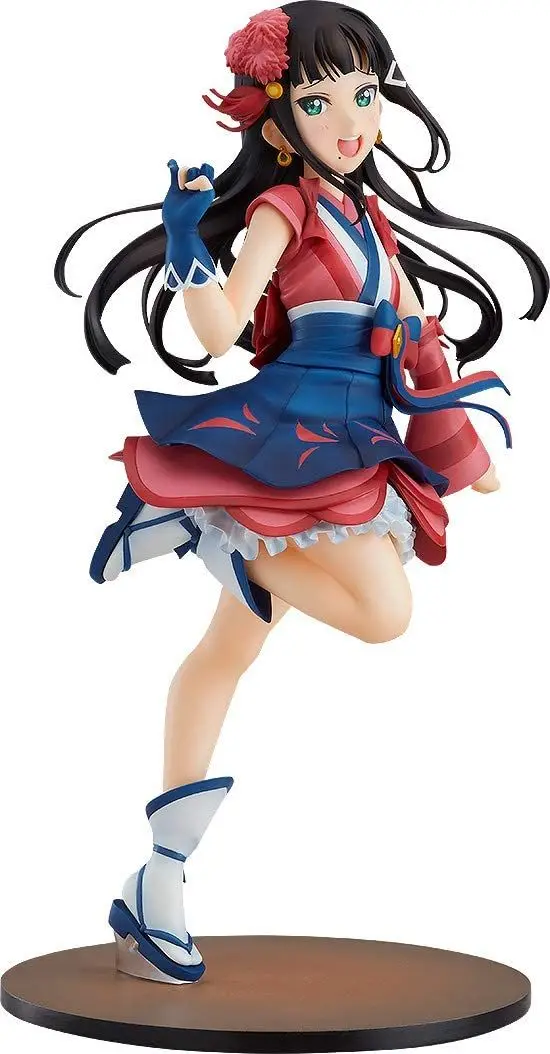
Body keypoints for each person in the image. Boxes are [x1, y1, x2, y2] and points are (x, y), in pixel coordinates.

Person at [56, 2, 547, 984]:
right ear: (279, 124)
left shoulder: (371, 222)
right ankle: (215, 533)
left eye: (364, 94)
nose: (352, 120)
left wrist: (468, 457)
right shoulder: (287, 208)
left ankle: (156, 885)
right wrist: (185, 240)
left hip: (353, 439)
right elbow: (217, 330)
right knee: (384, 611)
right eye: (321, 102)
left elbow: (418, 347)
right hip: (292, 438)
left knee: (223, 654)